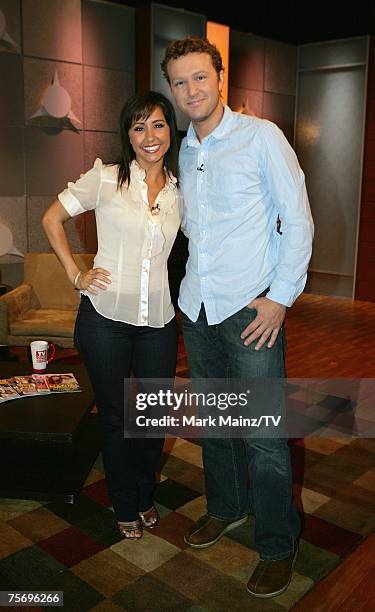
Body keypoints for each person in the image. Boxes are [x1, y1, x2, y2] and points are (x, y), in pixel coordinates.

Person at [161, 38, 314, 597]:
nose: (191, 90)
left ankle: (277, 543)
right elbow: (192, 227)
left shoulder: (260, 137)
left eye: (200, 77)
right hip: (198, 308)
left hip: (252, 310)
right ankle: (226, 507)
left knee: (265, 435)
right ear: (172, 90)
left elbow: (298, 220)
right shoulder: (182, 151)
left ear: (219, 77)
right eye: (180, 82)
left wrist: (280, 297)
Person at [42, 91, 180, 540]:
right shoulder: (106, 178)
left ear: (170, 130)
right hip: (105, 318)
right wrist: (75, 274)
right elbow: (51, 219)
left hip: (158, 320)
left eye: (157, 125)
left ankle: (144, 493)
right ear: (128, 135)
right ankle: (125, 502)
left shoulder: (182, 190)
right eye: (138, 127)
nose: (149, 136)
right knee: (118, 417)